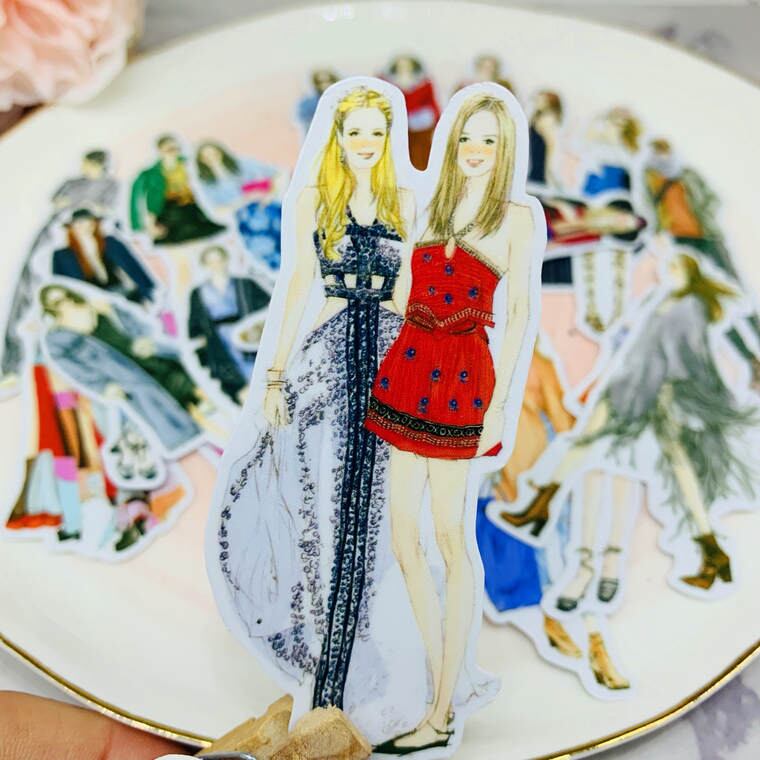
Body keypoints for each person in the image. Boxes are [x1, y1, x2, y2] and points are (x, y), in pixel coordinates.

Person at [212, 85, 416, 745]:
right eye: (356, 132)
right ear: (338, 137)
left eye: (377, 132)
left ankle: (354, 661)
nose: (366, 143)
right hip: (328, 353)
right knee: (319, 502)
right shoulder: (313, 201)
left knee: (376, 511)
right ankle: (322, 660)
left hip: (390, 356)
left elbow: (408, 291)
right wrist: (275, 374)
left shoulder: (404, 200)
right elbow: (298, 287)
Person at [364, 91, 539, 753]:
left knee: (447, 534)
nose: (476, 150)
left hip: (463, 376)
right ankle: (443, 683)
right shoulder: (427, 208)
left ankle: (440, 710)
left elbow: (519, 316)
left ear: (505, 150)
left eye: (490, 140)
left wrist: (500, 406)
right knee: (402, 536)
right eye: (468, 136)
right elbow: (403, 293)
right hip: (409, 365)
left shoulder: (516, 219)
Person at [504, 253, 758, 591]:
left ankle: (712, 551)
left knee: (675, 465)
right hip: (629, 388)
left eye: (674, 267)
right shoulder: (665, 301)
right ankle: (540, 508)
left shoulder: (690, 306)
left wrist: (676, 392)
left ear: (690, 271)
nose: (668, 272)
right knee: (589, 444)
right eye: (669, 267)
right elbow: (640, 347)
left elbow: (689, 354)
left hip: (650, 393)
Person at [645, 138, 760, 389]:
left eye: (663, 151)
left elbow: (711, 198)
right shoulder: (649, 181)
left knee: (737, 291)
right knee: (711, 302)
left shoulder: (687, 174)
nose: (661, 157)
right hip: (681, 244)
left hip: (708, 238)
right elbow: (647, 214)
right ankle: (751, 361)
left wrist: (703, 212)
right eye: (656, 152)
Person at [40, 285, 208, 455]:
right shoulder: (58, 339)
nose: (65, 304)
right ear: (50, 310)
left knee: (195, 395)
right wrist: (103, 386)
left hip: (148, 359)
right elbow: (75, 370)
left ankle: (213, 432)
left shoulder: (100, 307)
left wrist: (145, 339)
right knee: (170, 423)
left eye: (67, 297)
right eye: (57, 303)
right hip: (128, 380)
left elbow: (137, 325)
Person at [1, 150, 119, 388]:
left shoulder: (109, 186)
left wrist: (85, 210)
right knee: (24, 304)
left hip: (81, 255)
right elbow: (57, 203)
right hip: (49, 244)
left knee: (74, 309)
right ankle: (11, 366)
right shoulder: (73, 183)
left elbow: (104, 212)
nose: (85, 169)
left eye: (90, 165)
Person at [188, 245, 270, 403]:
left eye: (219, 260)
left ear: (226, 260)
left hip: (251, 334)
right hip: (221, 340)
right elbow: (195, 328)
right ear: (205, 265)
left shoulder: (244, 283)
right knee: (239, 376)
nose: (216, 265)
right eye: (211, 262)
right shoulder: (198, 293)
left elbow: (267, 306)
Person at [195, 141, 286, 272]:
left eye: (214, 153)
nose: (211, 158)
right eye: (205, 157)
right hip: (246, 220)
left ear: (221, 152)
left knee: (288, 239)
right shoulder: (207, 182)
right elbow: (218, 210)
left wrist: (271, 194)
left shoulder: (241, 164)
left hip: (268, 209)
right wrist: (244, 200)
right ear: (201, 161)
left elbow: (277, 173)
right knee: (267, 252)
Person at [129, 134, 225, 245]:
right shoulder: (150, 173)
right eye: (170, 149)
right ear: (160, 151)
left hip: (193, 209)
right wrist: (143, 226)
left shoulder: (188, 163)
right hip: (169, 214)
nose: (174, 152)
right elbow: (137, 198)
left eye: (177, 149)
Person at [52, 209, 156, 305]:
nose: (85, 227)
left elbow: (133, 266)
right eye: (79, 224)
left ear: (95, 224)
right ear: (71, 228)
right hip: (94, 303)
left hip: (125, 295)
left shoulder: (111, 243)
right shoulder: (61, 256)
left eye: (89, 223)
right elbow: (61, 285)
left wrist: (148, 291)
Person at [384, 55, 440, 170]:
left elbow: (433, 107)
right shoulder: (387, 84)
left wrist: (427, 119)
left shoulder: (424, 84)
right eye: (401, 66)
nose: (404, 69)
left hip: (419, 132)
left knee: (420, 160)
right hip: (396, 131)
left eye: (407, 66)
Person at [296, 68, 340, 136]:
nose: (325, 84)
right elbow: (304, 123)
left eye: (328, 80)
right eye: (320, 82)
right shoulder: (308, 103)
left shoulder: (342, 99)